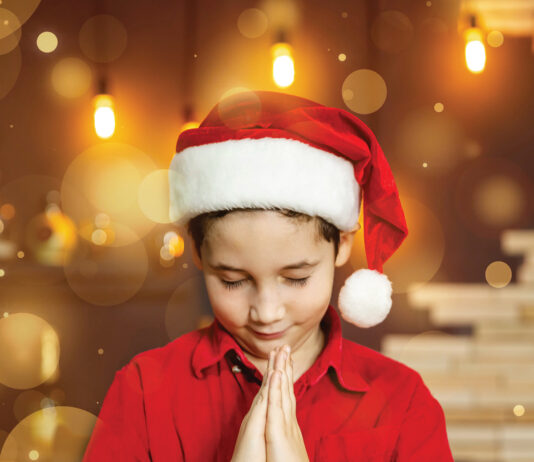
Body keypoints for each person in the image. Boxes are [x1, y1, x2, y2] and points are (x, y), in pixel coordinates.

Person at [82, 90, 454, 461]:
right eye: (233, 280)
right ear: (198, 253)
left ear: (341, 244)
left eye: (295, 278)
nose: (266, 311)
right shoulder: (144, 391)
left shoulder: (403, 403)